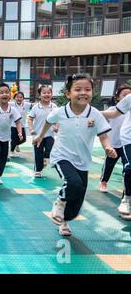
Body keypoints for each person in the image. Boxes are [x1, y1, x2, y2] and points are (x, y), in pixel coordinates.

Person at [33, 74, 116, 236]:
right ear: (68, 94)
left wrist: (108, 147)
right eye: (78, 89)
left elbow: (104, 136)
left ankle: (65, 221)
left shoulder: (95, 114)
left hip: (83, 161)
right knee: (73, 183)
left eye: (87, 89)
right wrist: (40, 136)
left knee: (77, 203)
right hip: (62, 156)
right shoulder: (60, 111)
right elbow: (49, 121)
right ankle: (60, 201)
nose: (83, 93)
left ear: (92, 92)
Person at [101, 86, 131, 216]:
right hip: (126, 139)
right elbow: (113, 114)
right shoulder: (129, 100)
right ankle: (127, 199)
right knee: (128, 168)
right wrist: (91, 112)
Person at [27, 85, 58, 178]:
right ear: (40, 95)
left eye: (49, 93)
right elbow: (30, 119)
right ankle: (37, 170)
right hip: (37, 136)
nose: (46, 94)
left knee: (50, 148)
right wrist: (31, 129)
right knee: (38, 153)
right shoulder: (36, 107)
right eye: (44, 93)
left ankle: (46, 158)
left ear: (51, 94)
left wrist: (56, 126)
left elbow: (58, 119)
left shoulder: (54, 107)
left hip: (49, 135)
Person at [9, 91, 32, 157]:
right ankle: (11, 151)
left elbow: (33, 104)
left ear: (23, 98)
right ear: (14, 98)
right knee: (14, 139)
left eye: (21, 97)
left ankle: (16, 145)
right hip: (13, 125)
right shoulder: (11, 104)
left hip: (22, 125)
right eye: (17, 97)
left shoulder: (26, 104)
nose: (19, 98)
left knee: (23, 139)